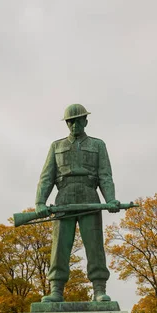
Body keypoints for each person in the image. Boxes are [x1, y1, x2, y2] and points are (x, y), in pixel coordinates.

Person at [35, 104, 120, 302]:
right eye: (70, 121)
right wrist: (40, 201)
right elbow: (47, 177)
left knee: (95, 245)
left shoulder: (98, 145)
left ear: (85, 121)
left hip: (90, 197)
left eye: (78, 120)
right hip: (64, 197)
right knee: (60, 246)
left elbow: (105, 175)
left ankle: (99, 288)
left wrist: (110, 199)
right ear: (67, 123)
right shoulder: (56, 146)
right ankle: (56, 289)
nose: (74, 125)